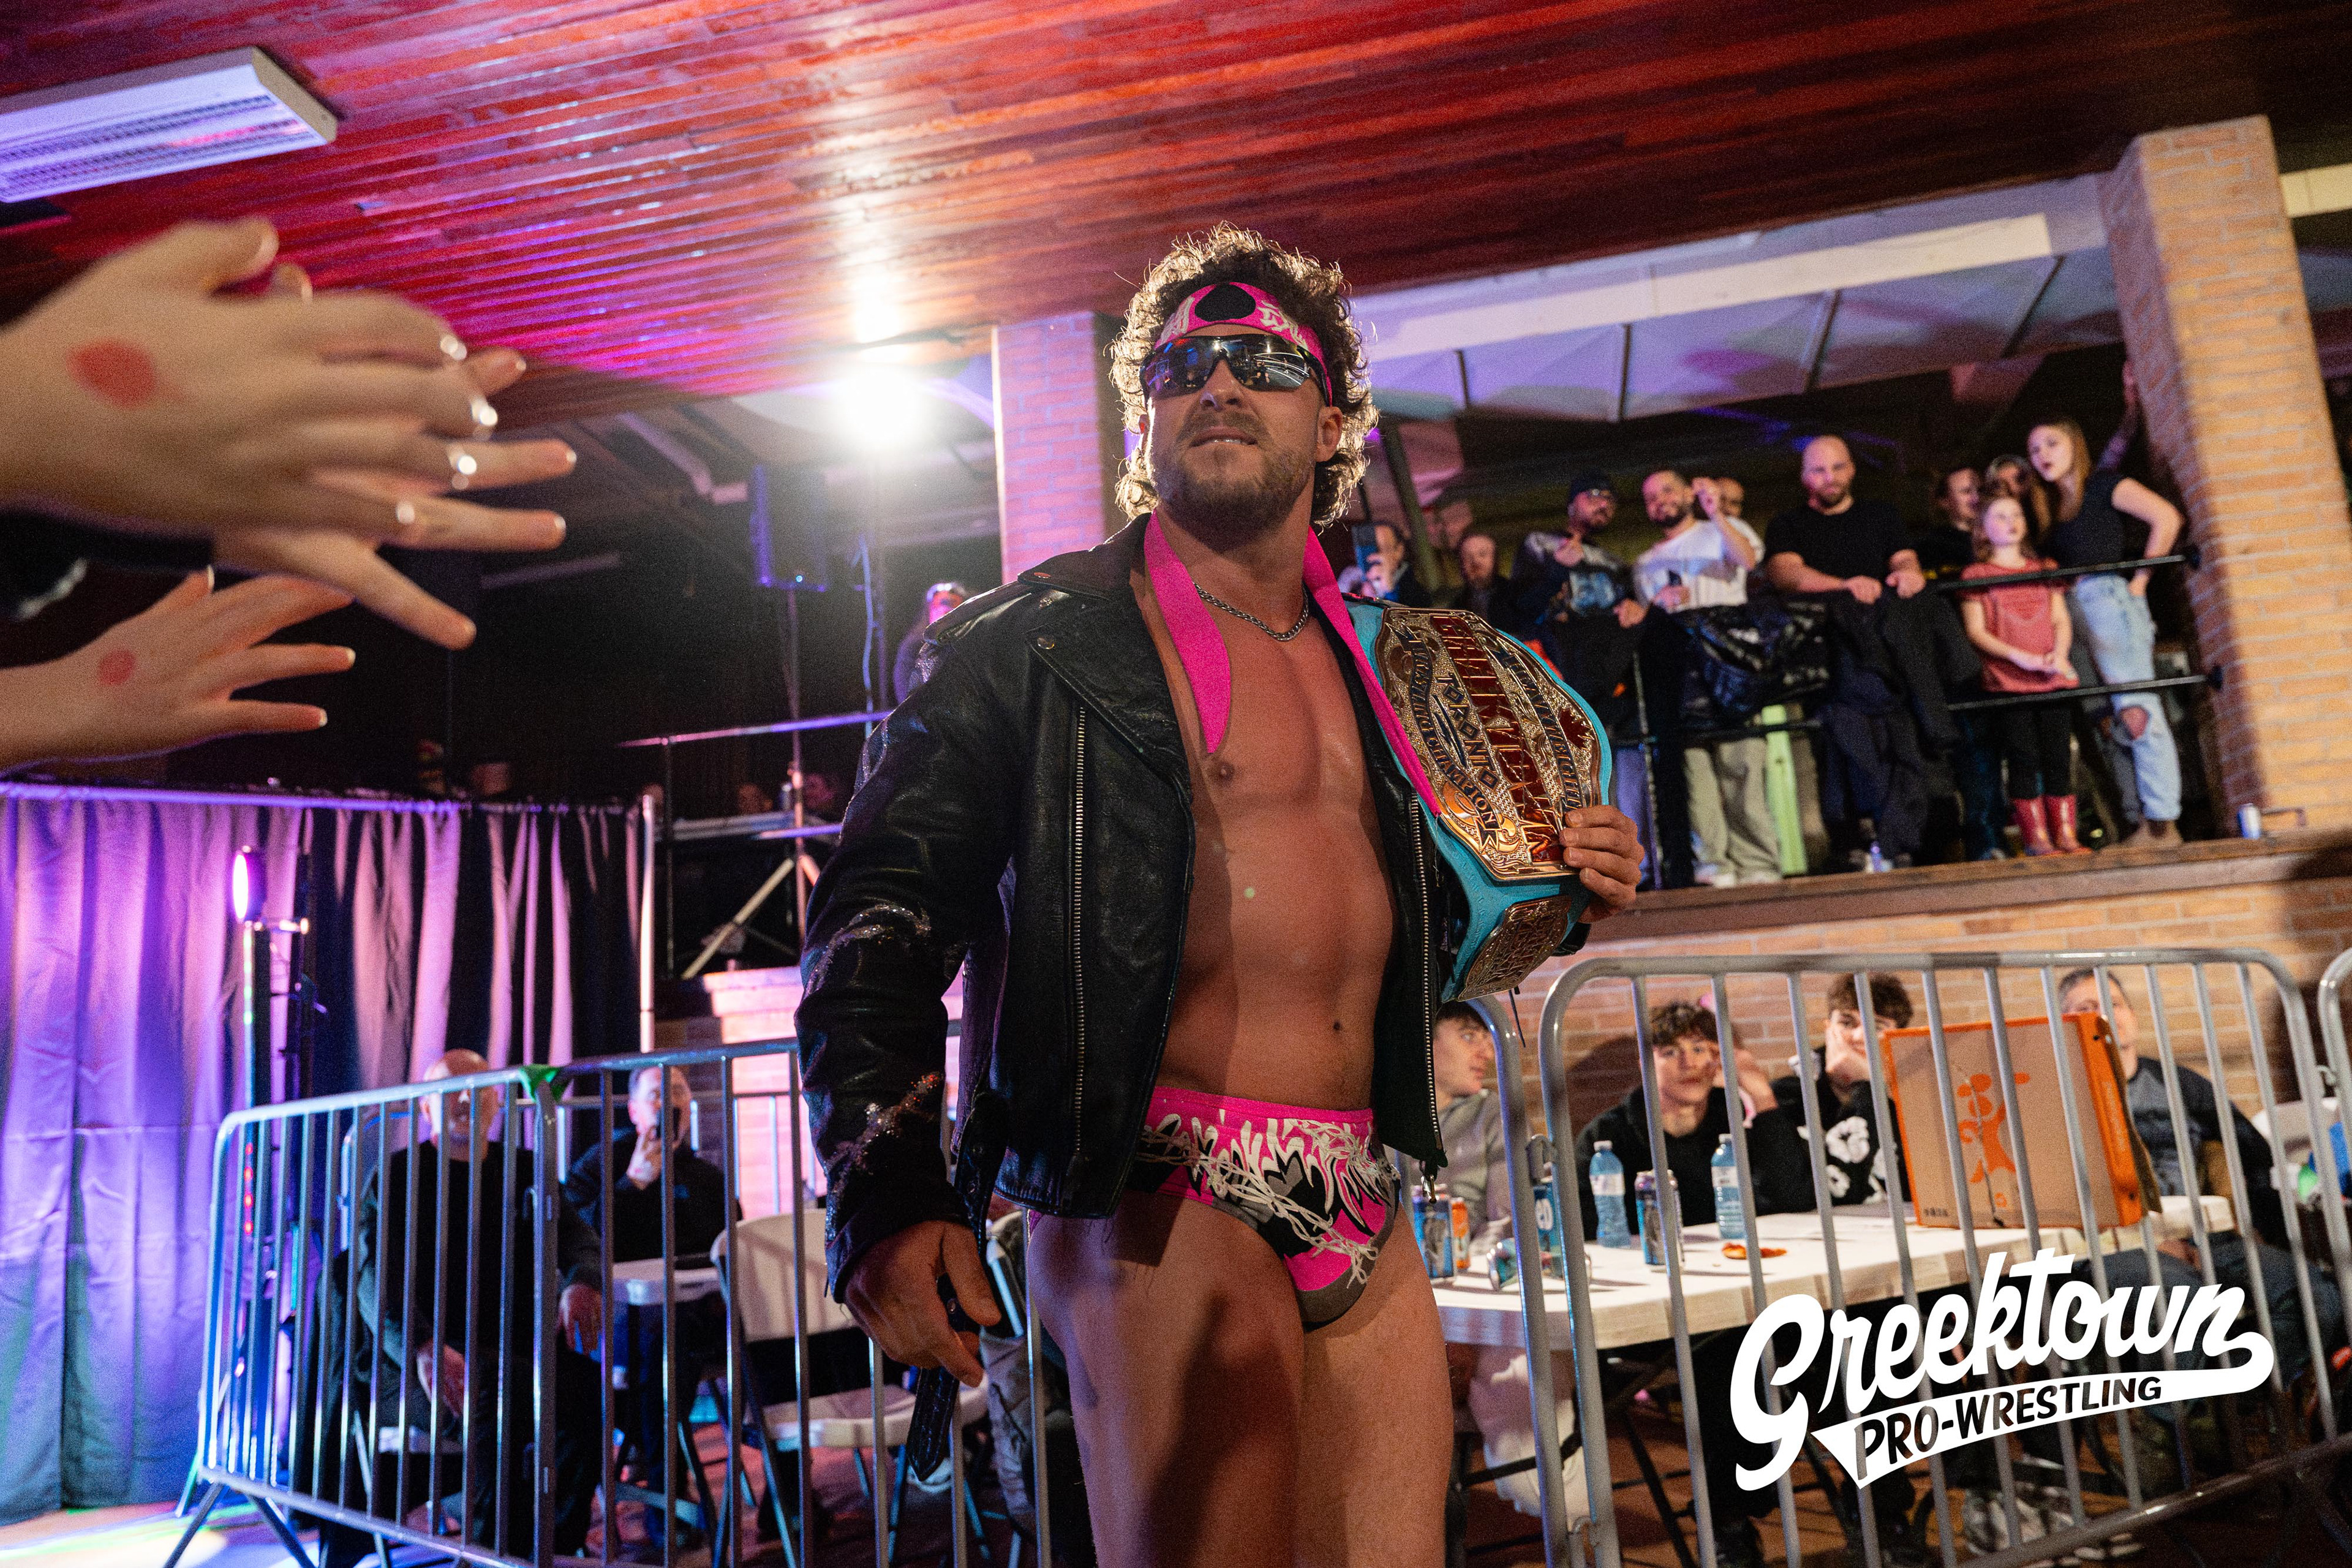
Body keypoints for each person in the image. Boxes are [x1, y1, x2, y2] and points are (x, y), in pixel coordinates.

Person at [796, 227, 1641, 1567]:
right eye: (1185, 367)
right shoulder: (1026, 644)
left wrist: (1568, 885)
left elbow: (1394, 932)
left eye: (1264, 362)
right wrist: (884, 1192)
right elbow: (875, 918)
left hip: (1362, 1182)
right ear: (1147, 419)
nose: (1222, 384)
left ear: (1335, 420)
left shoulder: (1396, 668)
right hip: (1156, 1186)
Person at [337, 1051, 604, 1565]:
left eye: (480, 1088)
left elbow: (579, 1238)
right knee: (497, 1395)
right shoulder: (398, 1176)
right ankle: (491, 1554)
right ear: (425, 1108)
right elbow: (373, 1279)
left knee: (583, 1391)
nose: (466, 1098)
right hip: (418, 1359)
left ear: (498, 1100)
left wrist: (582, 1281)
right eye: (451, 1091)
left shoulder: (525, 1167)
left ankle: (553, 1547)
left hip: (512, 1346)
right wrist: (421, 1345)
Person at [1573, 1002, 1812, 1567]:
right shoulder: (1609, 1137)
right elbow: (1581, 1231)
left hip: (1748, 1298)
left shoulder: (1738, 1122)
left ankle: (1872, 1504)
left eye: (1702, 1049)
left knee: (1832, 1331)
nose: (1691, 1063)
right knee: (1722, 1350)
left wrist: (1763, 1096)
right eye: (1672, 1051)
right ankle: (1730, 1521)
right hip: (1656, 1310)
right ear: (1647, 1061)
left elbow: (1798, 1197)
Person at [563, 1065, 733, 1555]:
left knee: (777, 1325)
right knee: (666, 1343)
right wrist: (633, 1183)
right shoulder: (603, 1163)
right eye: (656, 1094)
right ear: (634, 1110)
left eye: (677, 1092)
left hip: (702, 1311)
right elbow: (578, 1240)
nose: (669, 1103)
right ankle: (666, 1498)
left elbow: (733, 1245)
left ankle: (788, 1493)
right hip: (626, 1318)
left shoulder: (707, 1176)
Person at [2026, 418, 2186, 848]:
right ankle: (2143, 821)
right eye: (2035, 449)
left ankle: (2163, 823)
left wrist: (2141, 581)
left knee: (2137, 706)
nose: (2042, 455)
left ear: (2074, 444)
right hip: (2073, 608)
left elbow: (2166, 517)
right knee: (2111, 719)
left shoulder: (2102, 485)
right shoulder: (2051, 508)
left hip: (2108, 598)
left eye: (2051, 443)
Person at [1632, 468, 1781, 888]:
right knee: (1696, 775)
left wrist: (1716, 514)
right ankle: (1714, 867)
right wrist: (1656, 604)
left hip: (1729, 667)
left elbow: (1748, 560)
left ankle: (1759, 866)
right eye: (1650, 497)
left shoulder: (1722, 529)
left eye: (1667, 490)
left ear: (1687, 494)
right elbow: (1647, 624)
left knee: (1742, 767)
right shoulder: (1644, 563)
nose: (1660, 500)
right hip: (1680, 672)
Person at [1959, 496, 2089, 856]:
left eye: (2016, 514)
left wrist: (2058, 654)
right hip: (2009, 680)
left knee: (2058, 754)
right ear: (1983, 528)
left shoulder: (2045, 568)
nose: (2011, 522)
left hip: (2052, 675)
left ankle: (2066, 833)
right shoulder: (1976, 576)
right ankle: (2036, 837)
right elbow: (1976, 631)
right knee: (2023, 756)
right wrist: (2020, 658)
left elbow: (2060, 618)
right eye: (2000, 516)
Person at [1514, 470, 1648, 816]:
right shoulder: (1540, 544)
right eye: (1594, 495)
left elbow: (1628, 613)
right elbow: (1522, 609)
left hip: (1606, 682)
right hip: (1558, 680)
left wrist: (1635, 606)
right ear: (1572, 503)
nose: (1604, 504)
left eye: (1610, 499)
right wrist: (1558, 570)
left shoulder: (1614, 562)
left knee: (1614, 783)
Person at [1772, 972, 1914, 1207]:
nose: (1858, 1037)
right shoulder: (1788, 1098)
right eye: (1847, 1023)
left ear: (1897, 1038)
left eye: (1877, 1026)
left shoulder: (1914, 1098)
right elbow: (1832, 1194)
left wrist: (1870, 1088)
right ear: (1828, 1028)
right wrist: (1866, 1086)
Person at [1394, 1001, 1512, 1247]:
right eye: (1469, 1036)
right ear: (1424, 1041)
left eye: (1487, 1040)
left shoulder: (1493, 1113)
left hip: (1473, 1266)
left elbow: (1508, 1224)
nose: (1487, 1054)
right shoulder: (1378, 1123)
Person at [893, 580, 970, 702]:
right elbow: (906, 696)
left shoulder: (971, 641)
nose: (945, 613)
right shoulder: (913, 647)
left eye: (952, 608)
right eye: (938, 608)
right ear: (930, 612)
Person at [1914, 466, 1982, 581]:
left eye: (1980, 490)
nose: (1977, 498)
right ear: (1944, 501)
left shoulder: (2002, 536)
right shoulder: (1931, 546)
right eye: (1966, 492)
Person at [1449, 529, 1510, 623]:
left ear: (1495, 559)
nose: (1476, 562)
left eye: (1482, 554)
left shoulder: (1518, 597)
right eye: (1468, 557)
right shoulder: (1457, 607)